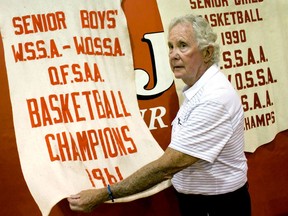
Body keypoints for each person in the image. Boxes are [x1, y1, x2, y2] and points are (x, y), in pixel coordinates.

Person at [68, 14, 251, 216]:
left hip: (217, 207)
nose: (173, 54)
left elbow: (167, 167)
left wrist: (105, 193)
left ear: (207, 53)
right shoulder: (199, 89)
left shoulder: (213, 98)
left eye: (183, 45)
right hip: (201, 204)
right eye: (170, 46)